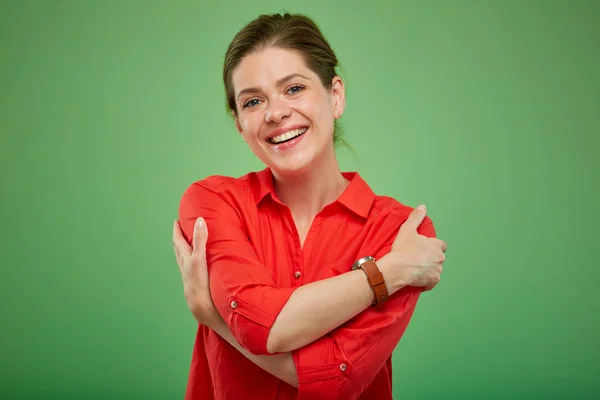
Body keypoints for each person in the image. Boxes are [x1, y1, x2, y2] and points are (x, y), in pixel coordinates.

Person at [172, 12, 447, 400]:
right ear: (239, 123)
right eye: (252, 101)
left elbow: (338, 382)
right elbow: (260, 329)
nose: (275, 113)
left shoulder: (401, 230)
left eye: (294, 88)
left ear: (336, 95)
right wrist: (388, 272)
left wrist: (214, 319)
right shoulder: (212, 202)